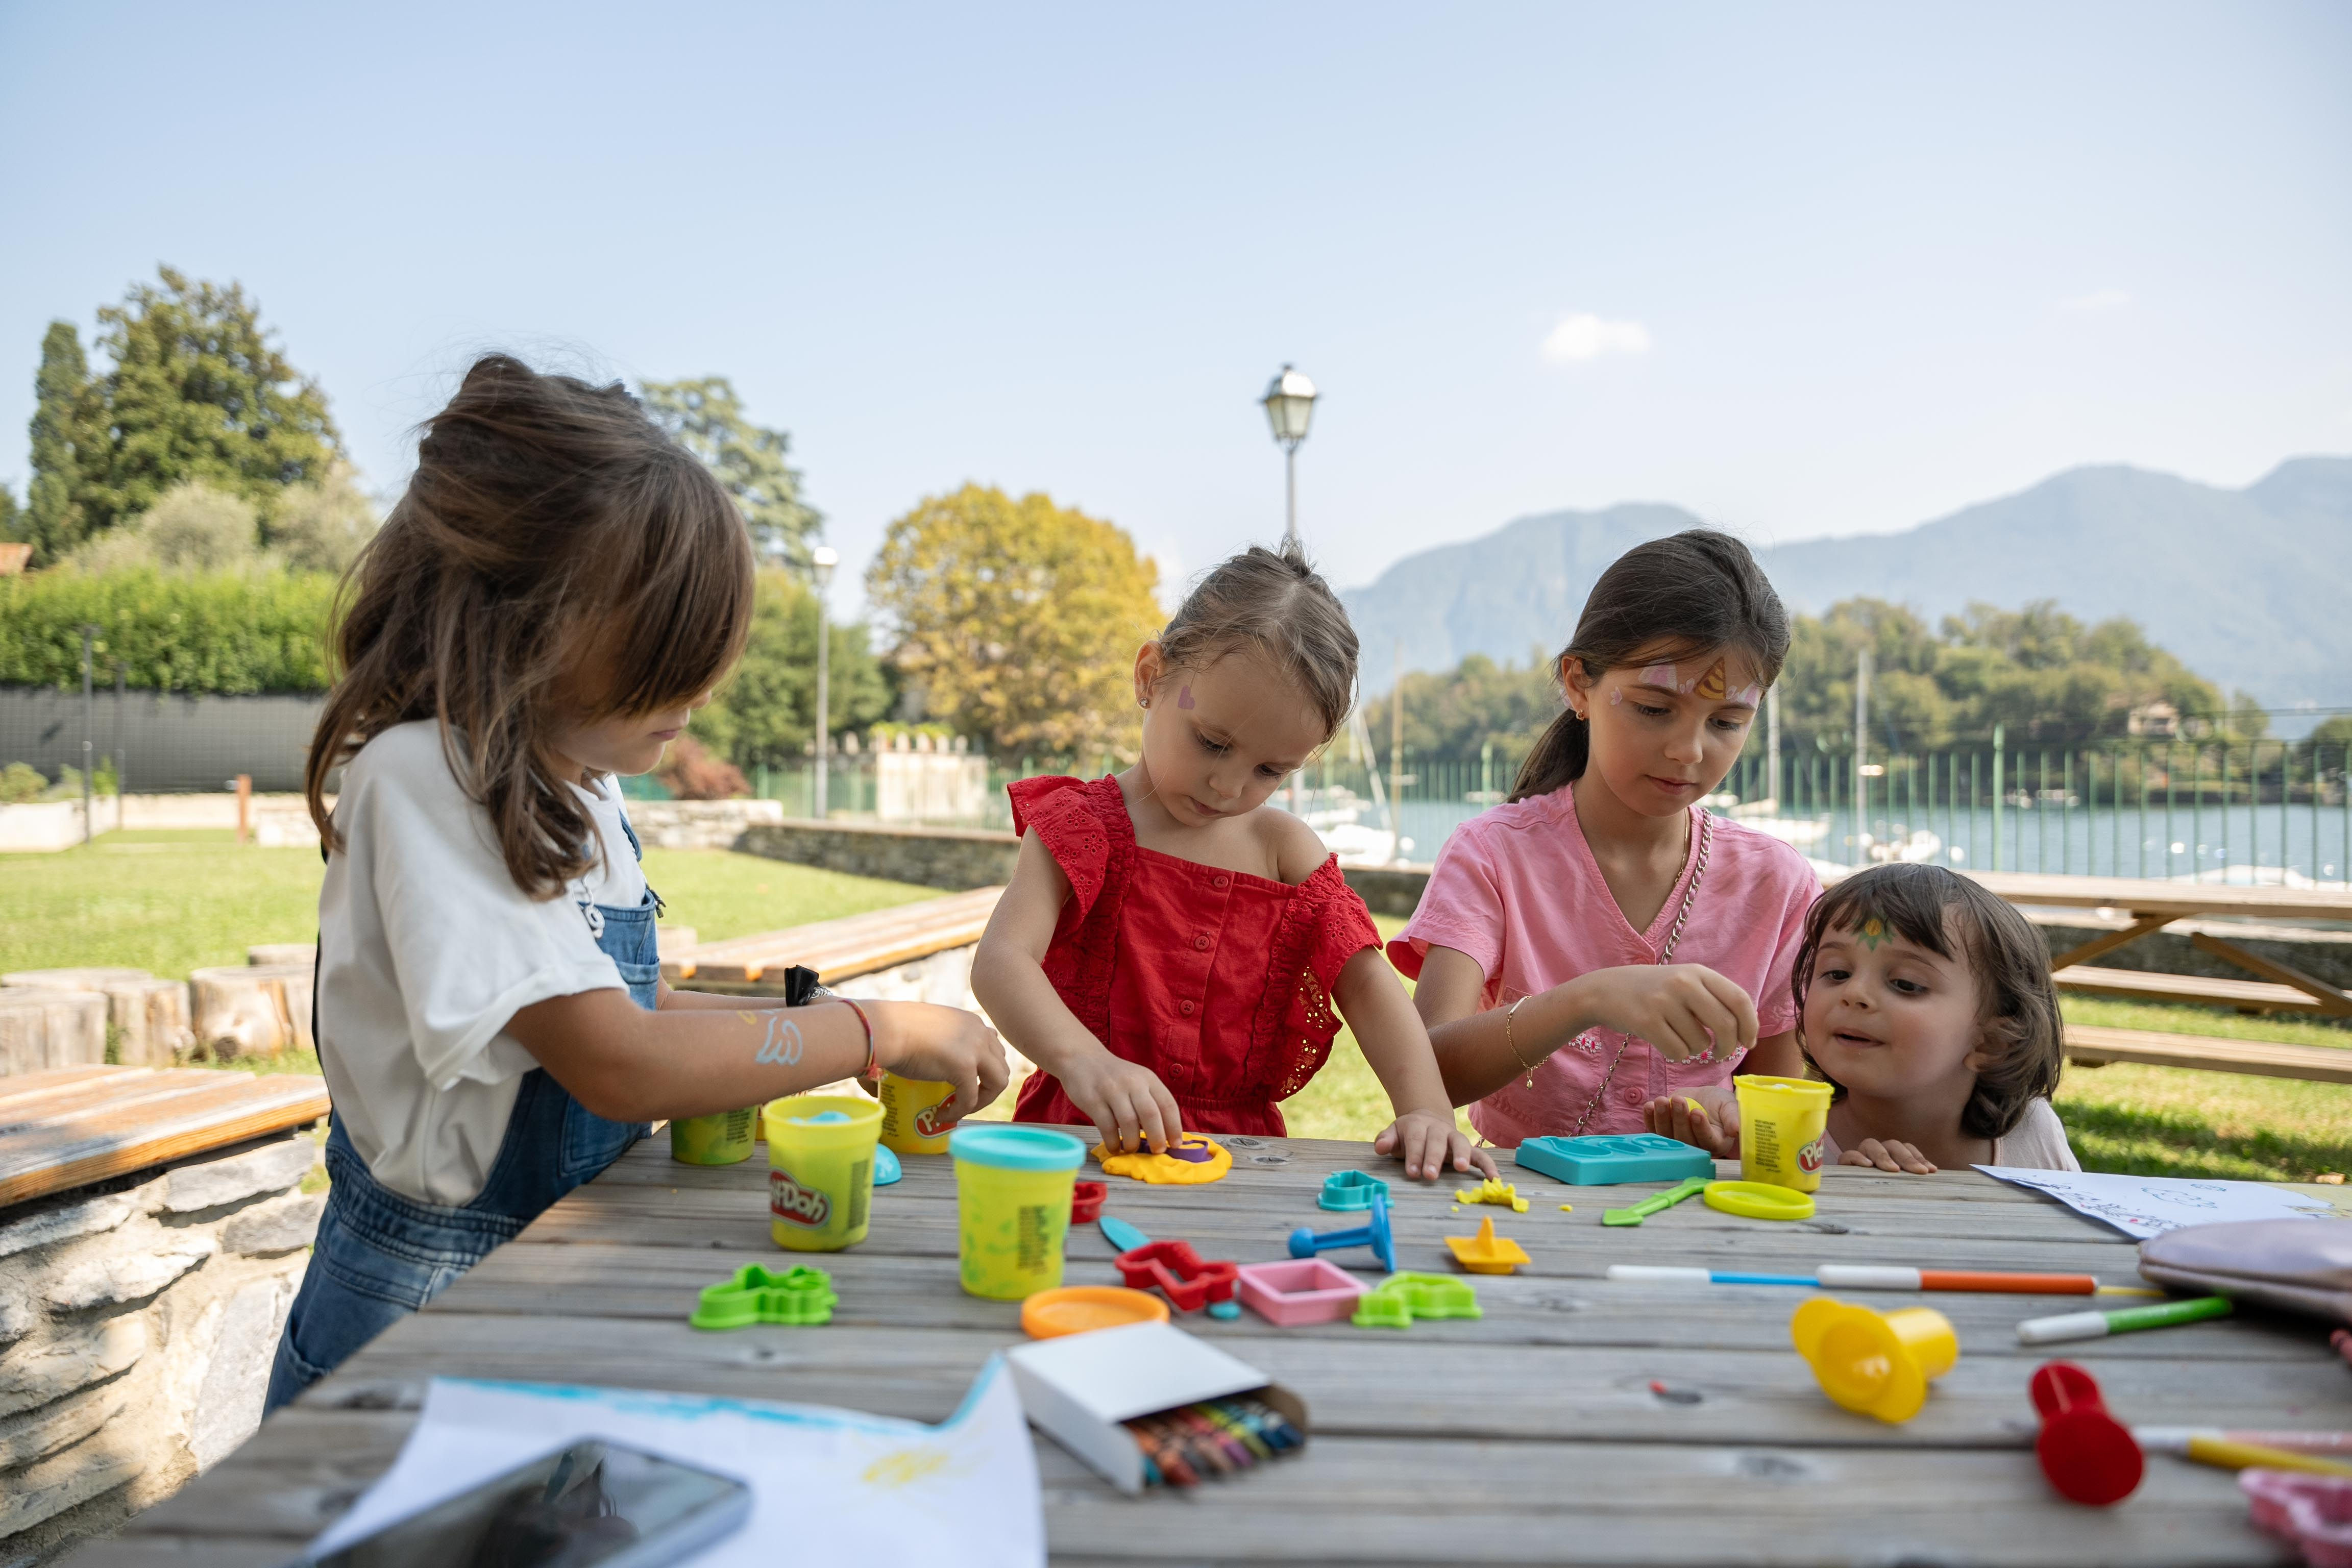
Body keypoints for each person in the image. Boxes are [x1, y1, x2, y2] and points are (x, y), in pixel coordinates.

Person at [267, 356, 1007, 1411]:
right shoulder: (429, 777)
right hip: (426, 1316)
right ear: (521, 623)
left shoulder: (584, 783)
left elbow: (630, 1006)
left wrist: (828, 1023)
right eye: (667, 651)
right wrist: (874, 1032)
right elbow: (616, 1062)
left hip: (558, 1274)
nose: (701, 689)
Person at [971, 544, 1496, 1182]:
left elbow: (1366, 984)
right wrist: (1085, 1061)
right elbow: (1002, 961)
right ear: (1150, 676)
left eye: (1270, 770)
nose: (1229, 786)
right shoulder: (1081, 828)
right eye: (1213, 743)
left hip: (1240, 1164)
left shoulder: (1284, 851)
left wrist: (1427, 1109)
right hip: (1081, 1140)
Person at [1393, 529, 1815, 1145]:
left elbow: (1776, 1111)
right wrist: (1589, 999)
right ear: (1578, 684)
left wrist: (1732, 1128)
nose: (1688, 750)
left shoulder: (1777, 885)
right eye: (1652, 708)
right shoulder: (1494, 856)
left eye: (1727, 722)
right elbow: (1425, 1070)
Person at [1649, 862, 2079, 1172]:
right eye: (1836, 973)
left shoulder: (2031, 1133)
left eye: (1907, 984)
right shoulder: (1785, 1139)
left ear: (1992, 1042)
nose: (1855, 994)